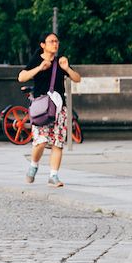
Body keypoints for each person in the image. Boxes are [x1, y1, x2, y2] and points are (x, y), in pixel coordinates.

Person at [17, 32, 82, 188]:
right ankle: (34, 165)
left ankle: (53, 175)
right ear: (43, 45)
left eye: (56, 41)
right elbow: (21, 77)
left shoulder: (60, 62)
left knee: (58, 143)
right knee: (40, 141)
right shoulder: (37, 59)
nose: (55, 44)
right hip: (41, 107)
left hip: (59, 108)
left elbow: (77, 78)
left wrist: (67, 68)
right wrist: (40, 68)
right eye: (51, 41)